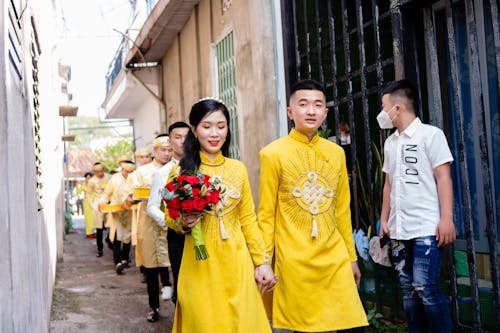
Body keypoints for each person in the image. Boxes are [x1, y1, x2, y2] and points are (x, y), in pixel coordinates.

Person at [258, 79, 368, 332]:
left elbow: (342, 210)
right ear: (290, 112)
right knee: (307, 328)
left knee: (353, 325)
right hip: (295, 260)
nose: (310, 111)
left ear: (325, 112)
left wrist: (351, 258)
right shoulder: (272, 153)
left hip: (334, 257)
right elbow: (266, 215)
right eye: (303, 104)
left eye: (317, 105)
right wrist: (264, 261)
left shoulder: (336, 153)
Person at [165, 98, 275, 332]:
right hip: (198, 264)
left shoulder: (238, 169)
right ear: (194, 130)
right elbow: (169, 216)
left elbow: (248, 219)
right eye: (207, 126)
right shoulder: (181, 171)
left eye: (221, 126)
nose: (214, 133)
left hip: (237, 263)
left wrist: (262, 262)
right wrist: (183, 222)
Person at [378, 79, 456, 333]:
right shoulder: (390, 143)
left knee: (426, 287)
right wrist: (383, 219)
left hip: (425, 226)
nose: (382, 113)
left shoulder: (431, 135)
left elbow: (443, 177)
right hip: (399, 229)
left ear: (397, 108)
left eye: (383, 106)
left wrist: (447, 219)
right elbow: (388, 184)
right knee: (408, 291)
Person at [130, 134, 173, 322]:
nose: (167, 153)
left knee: (176, 265)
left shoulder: (176, 169)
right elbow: (130, 196)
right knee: (151, 268)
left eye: (170, 150)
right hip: (148, 224)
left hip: (172, 222)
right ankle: (153, 307)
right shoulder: (142, 172)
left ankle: (180, 305)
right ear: (155, 151)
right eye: (164, 150)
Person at [147, 121, 190, 305]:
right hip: (178, 237)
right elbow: (152, 206)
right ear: (170, 142)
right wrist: (172, 223)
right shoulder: (163, 173)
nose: (182, 142)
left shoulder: (204, 166)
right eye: (177, 137)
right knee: (182, 288)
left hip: (204, 233)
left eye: (186, 137)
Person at [101, 158, 136, 274]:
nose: (128, 174)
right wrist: (102, 202)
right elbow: (106, 193)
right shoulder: (114, 179)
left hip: (130, 213)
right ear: (122, 169)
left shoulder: (135, 179)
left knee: (128, 237)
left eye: (130, 172)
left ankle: (125, 259)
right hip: (116, 213)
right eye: (126, 171)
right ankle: (118, 262)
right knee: (117, 236)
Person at [127, 147, 153, 283]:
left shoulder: (158, 171)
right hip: (140, 211)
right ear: (137, 159)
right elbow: (128, 195)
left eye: (147, 156)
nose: (144, 159)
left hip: (157, 209)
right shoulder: (132, 176)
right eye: (141, 157)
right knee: (142, 240)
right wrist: (132, 198)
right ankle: (146, 271)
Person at [86, 162, 109, 257]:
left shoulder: (108, 177)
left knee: (111, 225)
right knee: (99, 228)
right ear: (94, 172)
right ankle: (100, 249)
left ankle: (109, 239)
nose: (100, 173)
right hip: (98, 204)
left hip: (108, 203)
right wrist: (92, 205)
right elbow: (87, 194)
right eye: (97, 172)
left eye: (101, 171)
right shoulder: (91, 181)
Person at [81, 172, 95, 238]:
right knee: (87, 218)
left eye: (89, 177)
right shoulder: (83, 184)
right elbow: (78, 191)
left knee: (93, 218)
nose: (88, 179)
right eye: (87, 178)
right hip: (86, 203)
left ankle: (94, 232)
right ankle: (89, 233)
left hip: (93, 202)